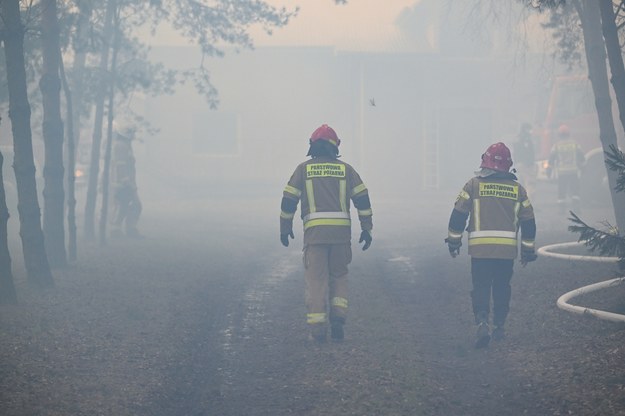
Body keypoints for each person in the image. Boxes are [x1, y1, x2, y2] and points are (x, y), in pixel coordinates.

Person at [280, 124, 373, 343]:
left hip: (315, 236)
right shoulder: (346, 170)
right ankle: (338, 318)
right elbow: (362, 199)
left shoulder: (303, 170)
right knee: (339, 275)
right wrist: (367, 228)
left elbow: (288, 200)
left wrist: (285, 229)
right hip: (341, 236)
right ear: (335, 147)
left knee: (316, 280)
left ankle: (318, 330)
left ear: (312, 146)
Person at [445, 142, 537, 349]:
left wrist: (453, 242)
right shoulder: (518, 190)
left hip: (480, 250)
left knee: (481, 286)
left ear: (485, 161)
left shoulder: (473, 185)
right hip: (506, 252)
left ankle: (482, 320)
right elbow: (529, 222)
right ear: (508, 165)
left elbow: (458, 215)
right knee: (502, 287)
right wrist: (528, 250)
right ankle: (499, 326)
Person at [111, 121, 142, 238]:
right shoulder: (121, 146)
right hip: (123, 183)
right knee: (132, 205)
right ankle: (117, 230)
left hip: (127, 182)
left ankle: (129, 230)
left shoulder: (125, 145)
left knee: (128, 206)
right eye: (132, 132)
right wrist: (126, 182)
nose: (133, 135)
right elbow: (121, 165)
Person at [548, 124, 585, 213]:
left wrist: (549, 170)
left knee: (562, 191)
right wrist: (583, 167)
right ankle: (576, 208)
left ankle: (561, 210)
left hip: (562, 173)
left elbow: (551, 159)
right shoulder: (574, 144)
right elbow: (582, 157)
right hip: (573, 171)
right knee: (575, 191)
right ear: (569, 134)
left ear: (559, 135)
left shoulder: (556, 145)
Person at [512, 122, 536, 196]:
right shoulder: (526, 139)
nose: (531, 131)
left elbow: (515, 152)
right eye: (529, 129)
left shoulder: (518, 138)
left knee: (521, 183)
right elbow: (528, 152)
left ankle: (519, 201)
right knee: (529, 184)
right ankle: (528, 203)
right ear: (526, 129)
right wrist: (530, 163)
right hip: (526, 165)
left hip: (519, 164)